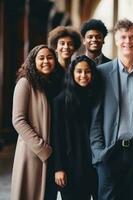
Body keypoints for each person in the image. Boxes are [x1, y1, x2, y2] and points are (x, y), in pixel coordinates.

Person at [90, 19, 133, 200]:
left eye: (132, 37)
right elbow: (95, 117)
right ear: (116, 40)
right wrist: (99, 151)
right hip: (109, 150)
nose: (127, 41)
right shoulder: (101, 72)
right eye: (123, 37)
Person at [11, 45, 58, 200]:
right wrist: (41, 147)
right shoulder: (25, 83)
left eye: (50, 57)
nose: (46, 61)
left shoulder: (53, 84)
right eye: (41, 58)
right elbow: (18, 120)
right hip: (32, 153)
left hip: (52, 153)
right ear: (33, 61)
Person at [52, 55, 99, 200]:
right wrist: (59, 168)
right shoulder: (61, 100)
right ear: (72, 73)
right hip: (72, 164)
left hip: (95, 163)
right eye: (79, 71)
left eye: (87, 71)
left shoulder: (97, 97)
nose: (83, 75)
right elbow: (57, 136)